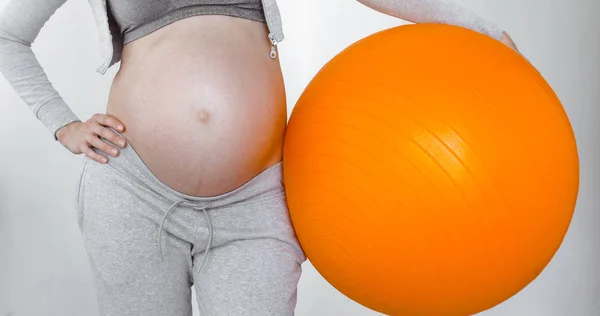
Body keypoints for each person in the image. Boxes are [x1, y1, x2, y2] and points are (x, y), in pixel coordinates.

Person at [0, 0, 520, 315]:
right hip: (134, 192)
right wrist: (61, 124)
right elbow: (8, 32)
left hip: (255, 200)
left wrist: (480, 28)